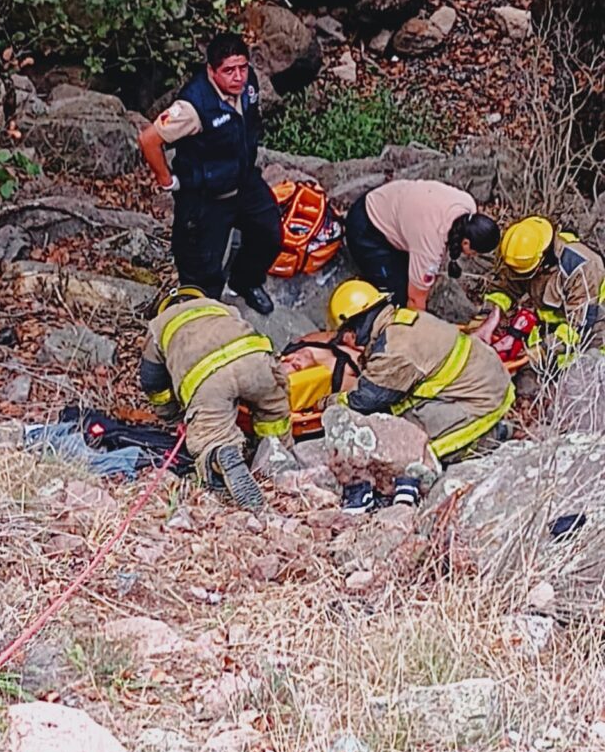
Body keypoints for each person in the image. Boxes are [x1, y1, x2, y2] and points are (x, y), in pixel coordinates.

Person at [326, 279, 515, 510]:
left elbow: (367, 399)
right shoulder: (401, 321)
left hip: (480, 397)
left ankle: (490, 436)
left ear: (352, 330)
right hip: (483, 379)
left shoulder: (394, 347)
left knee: (415, 446)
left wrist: (332, 403)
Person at [138, 32, 281, 316]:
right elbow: (148, 140)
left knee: (270, 233)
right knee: (203, 271)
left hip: (242, 179)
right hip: (205, 195)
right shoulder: (192, 107)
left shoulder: (248, 85)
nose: (238, 77)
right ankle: (203, 318)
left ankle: (246, 282)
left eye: (242, 68)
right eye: (229, 71)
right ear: (211, 71)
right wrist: (167, 181)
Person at [140, 286, 292, 510]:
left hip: (208, 378)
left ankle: (220, 454)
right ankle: (278, 459)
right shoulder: (223, 308)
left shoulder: (158, 328)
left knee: (210, 437)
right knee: (273, 413)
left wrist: (173, 418)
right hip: (253, 360)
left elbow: (153, 384)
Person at [345, 179, 500, 310]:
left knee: (411, 277)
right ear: (466, 242)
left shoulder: (467, 204)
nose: (474, 256)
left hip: (387, 199)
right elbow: (414, 301)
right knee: (397, 299)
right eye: (476, 252)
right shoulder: (431, 244)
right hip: (368, 229)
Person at [487, 215, 605, 369]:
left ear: (541, 262)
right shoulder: (525, 253)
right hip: (552, 327)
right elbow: (506, 288)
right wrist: (489, 314)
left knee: (578, 378)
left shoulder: (581, 268)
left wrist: (542, 349)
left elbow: (579, 326)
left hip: (593, 332)